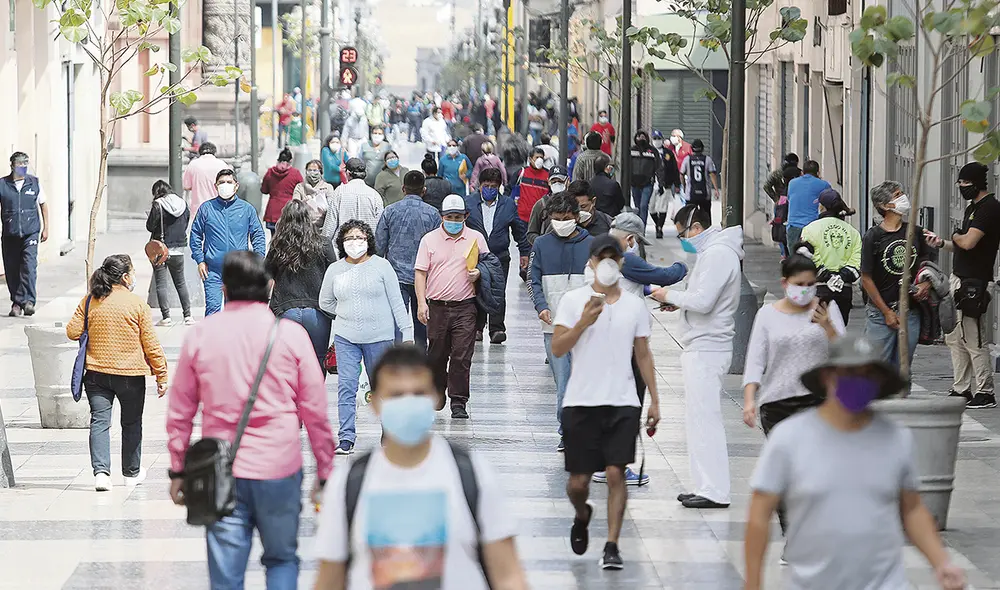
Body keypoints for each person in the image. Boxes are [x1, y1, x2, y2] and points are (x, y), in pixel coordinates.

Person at [166, 250, 336, 588]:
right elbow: (315, 411)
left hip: (221, 471)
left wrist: (178, 469)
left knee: (227, 575)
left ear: (224, 290)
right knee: (282, 559)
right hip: (279, 469)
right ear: (270, 288)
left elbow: (180, 410)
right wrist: (325, 471)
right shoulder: (290, 336)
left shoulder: (202, 335)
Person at [744, 335, 967, 590]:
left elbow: (912, 509)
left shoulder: (896, 438)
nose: (857, 382)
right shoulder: (789, 438)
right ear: (828, 377)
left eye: (867, 375)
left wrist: (941, 563)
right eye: (848, 373)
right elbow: (759, 515)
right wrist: (753, 583)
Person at [312, 345, 528, 590]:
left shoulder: (472, 474)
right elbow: (329, 580)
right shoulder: (349, 482)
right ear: (376, 403)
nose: (408, 403)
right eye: (396, 395)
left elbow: (508, 575)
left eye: (418, 393)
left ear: (436, 398)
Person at [551, 235, 661, 571]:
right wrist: (583, 321)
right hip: (581, 401)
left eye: (615, 257)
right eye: (602, 257)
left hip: (623, 400)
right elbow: (558, 348)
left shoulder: (634, 304)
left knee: (615, 472)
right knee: (578, 483)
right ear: (592, 263)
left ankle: (612, 544)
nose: (609, 263)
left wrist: (655, 401)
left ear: (622, 262)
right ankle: (582, 513)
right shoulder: (573, 300)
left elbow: (642, 353)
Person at [741, 246, 845, 541]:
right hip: (776, 404)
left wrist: (827, 327)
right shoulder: (767, 315)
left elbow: (844, 353)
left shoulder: (826, 308)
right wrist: (750, 400)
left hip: (818, 402)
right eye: (799, 284)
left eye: (811, 284)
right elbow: (755, 361)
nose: (806, 290)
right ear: (784, 283)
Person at [650, 204, 744, 509]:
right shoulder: (714, 252)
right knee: (698, 419)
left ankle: (715, 490)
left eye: (683, 233)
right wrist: (679, 303)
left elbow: (703, 302)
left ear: (697, 228)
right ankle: (706, 485)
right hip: (702, 345)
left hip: (708, 347)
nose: (683, 239)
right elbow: (703, 299)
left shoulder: (718, 254)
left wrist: (669, 295)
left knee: (706, 420)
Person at [320, 220, 414, 454]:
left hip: (379, 337)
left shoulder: (382, 267)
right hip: (345, 337)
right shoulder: (335, 269)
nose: (354, 242)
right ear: (341, 243)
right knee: (346, 386)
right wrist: (343, 313)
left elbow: (397, 303)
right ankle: (346, 437)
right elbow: (325, 301)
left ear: (368, 241)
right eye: (349, 238)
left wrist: (408, 332)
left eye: (359, 238)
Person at [927, 162, 1000, 409]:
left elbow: (968, 242)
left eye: (965, 184)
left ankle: (985, 391)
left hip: (975, 283)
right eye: (959, 184)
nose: (962, 188)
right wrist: (941, 243)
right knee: (954, 338)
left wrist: (957, 236)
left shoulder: (989, 209)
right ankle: (961, 387)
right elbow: (961, 243)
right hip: (960, 278)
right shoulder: (973, 208)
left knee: (974, 339)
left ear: (978, 183)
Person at [414, 194, 489, 420]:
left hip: (466, 307)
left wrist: (480, 273)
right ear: (441, 216)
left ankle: (459, 401)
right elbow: (420, 272)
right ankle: (436, 392)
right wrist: (421, 303)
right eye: (450, 217)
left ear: (466, 216)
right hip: (437, 307)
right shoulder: (429, 240)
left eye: (458, 217)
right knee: (436, 354)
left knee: (461, 355)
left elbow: (490, 265)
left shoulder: (476, 238)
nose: (454, 220)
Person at [528, 192, 593, 448]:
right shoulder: (541, 245)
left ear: (577, 218)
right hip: (553, 325)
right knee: (563, 380)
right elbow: (532, 280)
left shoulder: (593, 245)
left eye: (566, 218)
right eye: (556, 218)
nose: (562, 222)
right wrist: (540, 306)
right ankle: (567, 430)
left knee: (586, 378)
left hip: (586, 327)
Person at [860, 181, 931, 369]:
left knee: (903, 366)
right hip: (880, 312)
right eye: (897, 195)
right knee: (878, 367)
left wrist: (926, 283)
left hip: (910, 310)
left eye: (902, 193)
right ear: (884, 206)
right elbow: (866, 278)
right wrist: (886, 312)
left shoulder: (914, 232)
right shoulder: (873, 237)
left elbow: (926, 263)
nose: (903, 198)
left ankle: (901, 396)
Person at [265, 200, 337, 368]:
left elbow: (266, 276)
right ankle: (314, 393)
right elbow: (334, 275)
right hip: (317, 311)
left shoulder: (278, 246)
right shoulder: (324, 244)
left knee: (286, 361)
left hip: (285, 308)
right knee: (318, 359)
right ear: (308, 219)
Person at [376, 171, 442, 350]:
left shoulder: (389, 211)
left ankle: (396, 357)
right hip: (424, 277)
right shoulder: (434, 214)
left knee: (397, 320)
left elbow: (379, 245)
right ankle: (420, 358)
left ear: (403, 189)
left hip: (395, 276)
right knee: (422, 319)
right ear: (424, 190)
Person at [465, 167, 530, 344]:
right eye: (486, 185)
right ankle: (477, 327)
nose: (489, 189)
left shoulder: (508, 204)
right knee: (475, 290)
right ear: (480, 186)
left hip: (500, 257)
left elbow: (518, 229)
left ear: (499, 187)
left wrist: (524, 251)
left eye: (493, 186)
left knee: (497, 291)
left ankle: (497, 329)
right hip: (476, 257)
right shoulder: (469, 203)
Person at [190, 169, 267, 316]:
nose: (225, 185)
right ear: (215, 186)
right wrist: (200, 260)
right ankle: (211, 339)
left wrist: (257, 260)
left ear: (236, 186)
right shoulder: (206, 209)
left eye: (229, 182)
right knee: (212, 309)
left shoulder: (246, 209)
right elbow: (195, 235)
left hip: (238, 270)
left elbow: (258, 235)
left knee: (236, 312)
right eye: (221, 182)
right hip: (212, 270)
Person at [800, 188, 861, 324]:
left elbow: (808, 257)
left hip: (818, 288)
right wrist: (841, 277)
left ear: (822, 207)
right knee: (838, 332)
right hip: (844, 289)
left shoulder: (810, 229)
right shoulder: (853, 232)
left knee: (816, 334)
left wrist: (828, 276)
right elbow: (857, 261)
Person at [1, 152, 48, 317]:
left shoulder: (34, 183)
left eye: (25, 164)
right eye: (19, 164)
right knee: (12, 269)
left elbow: (43, 204)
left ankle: (28, 302)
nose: (22, 167)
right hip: (10, 233)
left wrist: (46, 227)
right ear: (12, 165)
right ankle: (16, 302)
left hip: (30, 232)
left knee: (29, 266)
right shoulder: (3, 184)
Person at [145, 180, 193, 326]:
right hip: (178, 248)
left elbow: (150, 226)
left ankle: (166, 317)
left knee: (161, 284)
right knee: (180, 282)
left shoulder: (158, 204)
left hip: (160, 249)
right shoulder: (183, 203)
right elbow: (185, 223)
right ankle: (188, 315)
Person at [321, 158, 384, 243]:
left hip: (342, 248)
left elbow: (329, 227)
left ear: (348, 173)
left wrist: (323, 245)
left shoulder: (340, 192)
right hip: (366, 248)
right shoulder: (375, 195)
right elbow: (380, 228)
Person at [786, 159, 831, 249]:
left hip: (793, 226)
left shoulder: (792, 183)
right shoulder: (823, 184)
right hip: (812, 227)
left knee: (793, 259)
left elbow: (789, 199)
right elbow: (830, 201)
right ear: (818, 173)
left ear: (802, 172)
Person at [261, 147, 304, 236]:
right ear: (291, 161)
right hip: (288, 211)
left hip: (272, 212)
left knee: (274, 239)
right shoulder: (295, 173)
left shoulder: (270, 172)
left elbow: (264, 190)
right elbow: (302, 190)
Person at [182, 142, 230, 219]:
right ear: (214, 152)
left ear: (200, 152)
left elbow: (186, 186)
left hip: (198, 210)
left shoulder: (193, 164)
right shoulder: (222, 165)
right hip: (219, 210)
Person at [651, 129, 682, 239]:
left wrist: (677, 183)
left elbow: (674, 169)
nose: (657, 141)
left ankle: (659, 228)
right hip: (651, 184)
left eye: (659, 138)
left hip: (666, 184)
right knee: (652, 208)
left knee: (662, 208)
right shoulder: (649, 152)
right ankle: (657, 223)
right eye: (655, 138)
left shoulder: (668, 153)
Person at [680, 139, 719, 224]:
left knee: (690, 215)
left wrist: (684, 186)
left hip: (691, 193)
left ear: (692, 148)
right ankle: (706, 231)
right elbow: (712, 174)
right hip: (705, 194)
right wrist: (716, 189)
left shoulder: (687, 159)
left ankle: (690, 231)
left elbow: (681, 174)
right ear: (702, 149)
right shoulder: (707, 159)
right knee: (706, 216)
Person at [630, 130, 661, 227]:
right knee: (638, 207)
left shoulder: (652, 151)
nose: (641, 139)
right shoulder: (632, 150)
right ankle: (638, 227)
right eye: (639, 137)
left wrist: (660, 181)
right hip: (634, 183)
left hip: (647, 183)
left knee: (644, 206)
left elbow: (659, 166)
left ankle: (642, 229)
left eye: (643, 137)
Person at [291, 159, 334, 226]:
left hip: (322, 226)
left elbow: (332, 207)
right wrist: (304, 202)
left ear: (320, 172)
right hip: (304, 226)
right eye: (309, 170)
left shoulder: (328, 187)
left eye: (315, 170)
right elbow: (294, 205)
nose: (312, 173)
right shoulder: (300, 187)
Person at [514, 148, 551, 223]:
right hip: (521, 217)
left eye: (541, 157)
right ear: (530, 159)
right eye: (537, 157)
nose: (539, 160)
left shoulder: (548, 175)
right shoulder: (522, 172)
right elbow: (509, 189)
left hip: (540, 218)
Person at [590, 153, 626, 217]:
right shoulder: (613, 184)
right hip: (611, 218)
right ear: (607, 168)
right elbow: (621, 204)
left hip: (594, 217)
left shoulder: (589, 183)